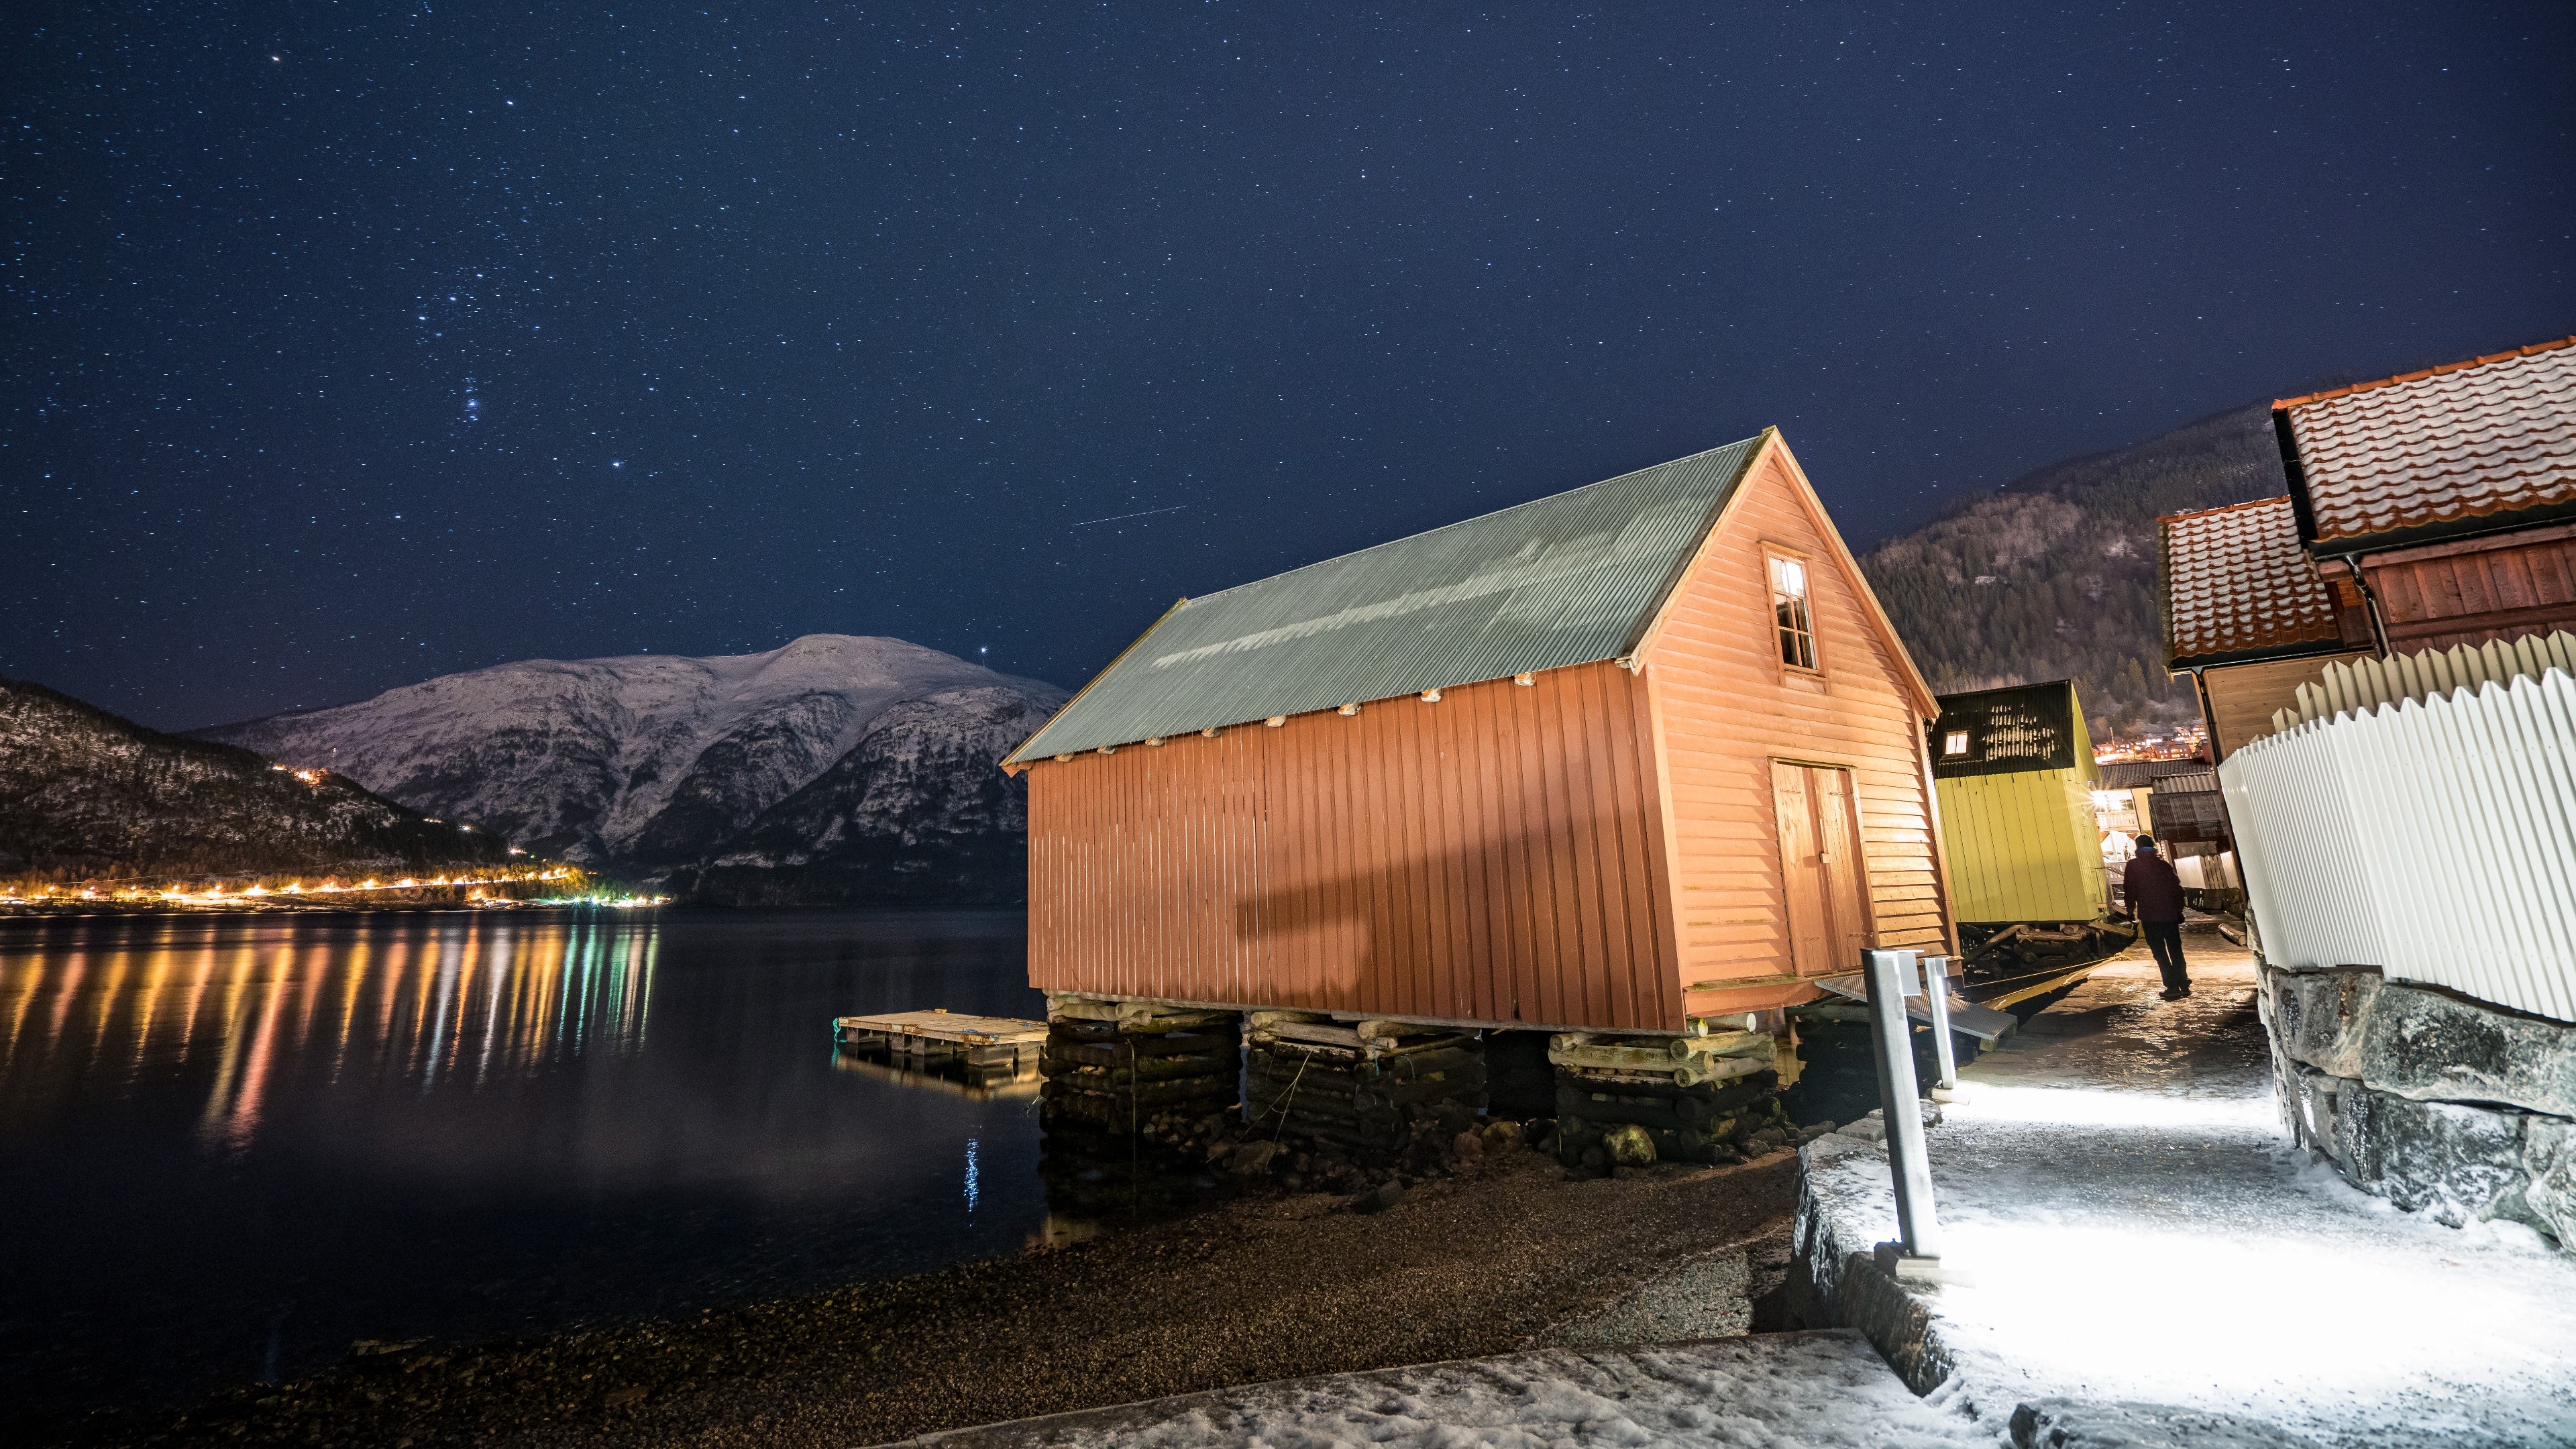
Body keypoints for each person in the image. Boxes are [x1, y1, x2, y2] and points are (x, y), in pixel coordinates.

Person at [2123, 833, 2190, 998]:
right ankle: (2183, 982)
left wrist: (2130, 910)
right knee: (2175, 949)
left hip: (2150, 916)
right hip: (2169, 916)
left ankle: (2172, 986)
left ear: (2137, 847)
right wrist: (2179, 910)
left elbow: (2130, 890)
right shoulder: (2164, 865)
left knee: (2160, 952)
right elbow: (2178, 890)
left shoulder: (2133, 866)